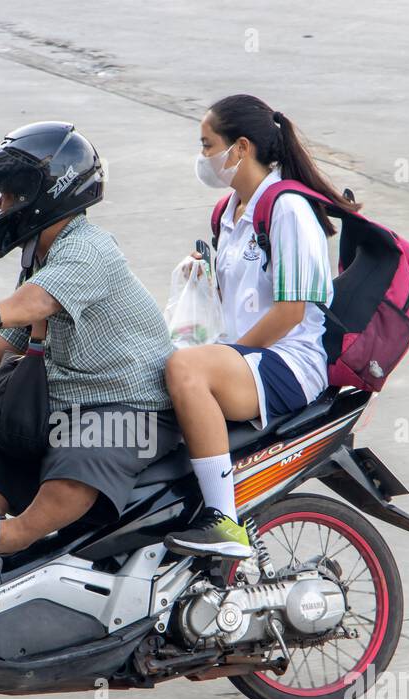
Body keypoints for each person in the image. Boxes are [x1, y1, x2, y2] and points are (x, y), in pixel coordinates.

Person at [0, 121, 179, 555]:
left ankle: (13, 539)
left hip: (135, 406)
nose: (0, 203)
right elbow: (8, 342)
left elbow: (36, 303)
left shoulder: (89, 248)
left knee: (87, 445)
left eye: (9, 193)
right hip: (74, 402)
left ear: (42, 194)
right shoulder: (41, 256)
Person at [162, 94, 360, 558]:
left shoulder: (287, 207)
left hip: (289, 363)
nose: (203, 157)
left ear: (241, 148)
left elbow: (292, 311)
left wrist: (230, 356)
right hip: (247, 358)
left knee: (185, 371)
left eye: (207, 145)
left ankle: (224, 522)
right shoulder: (229, 213)